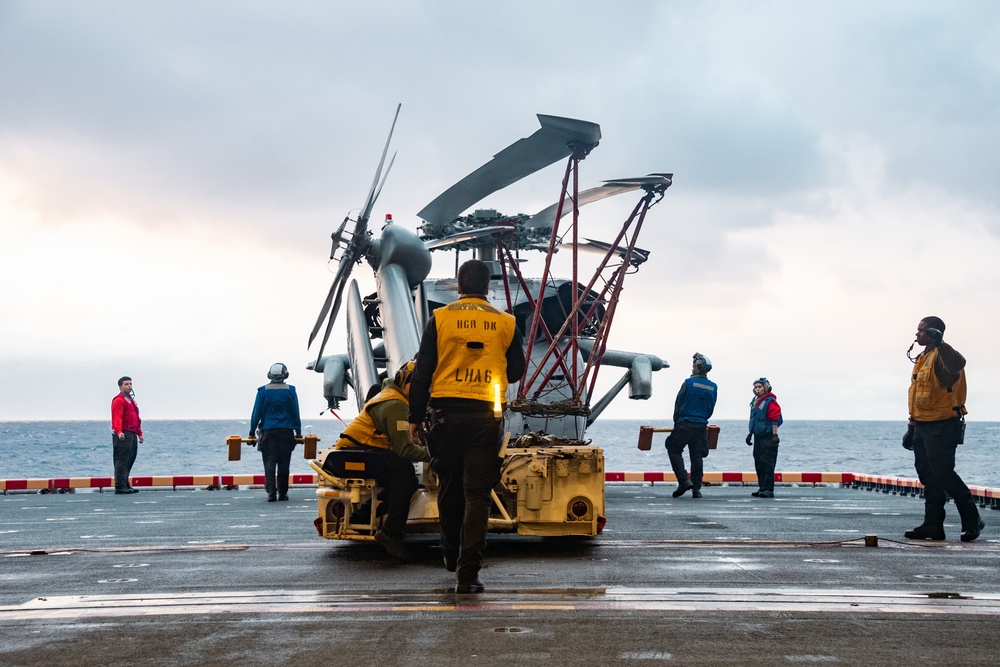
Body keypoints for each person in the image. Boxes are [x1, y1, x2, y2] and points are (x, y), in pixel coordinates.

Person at [408, 259, 526, 594]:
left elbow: (422, 371)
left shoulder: (441, 318)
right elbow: (515, 371)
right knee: (477, 494)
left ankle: (448, 553)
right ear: (487, 287)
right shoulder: (506, 322)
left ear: (458, 286)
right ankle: (468, 574)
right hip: (486, 417)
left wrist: (415, 416)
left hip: (445, 413)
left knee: (449, 485)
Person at [334, 360, 430, 561]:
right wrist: (436, 454)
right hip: (356, 451)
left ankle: (359, 518)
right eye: (420, 386)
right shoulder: (395, 405)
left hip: (357, 450)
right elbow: (405, 449)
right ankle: (391, 533)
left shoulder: (393, 397)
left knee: (395, 475)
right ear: (405, 382)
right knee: (404, 474)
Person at [903, 316, 984, 542]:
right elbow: (919, 396)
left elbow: (958, 364)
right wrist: (911, 428)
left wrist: (941, 344)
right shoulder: (923, 357)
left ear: (934, 332)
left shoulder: (942, 356)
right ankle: (933, 526)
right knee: (928, 476)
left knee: (944, 474)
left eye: (921, 331)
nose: (916, 334)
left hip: (943, 425)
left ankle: (972, 520)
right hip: (922, 425)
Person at [666, 353, 718, 499]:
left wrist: (677, 422)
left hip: (685, 424)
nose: (692, 368)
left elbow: (678, 404)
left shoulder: (688, 383)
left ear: (699, 366)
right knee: (697, 456)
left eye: (694, 366)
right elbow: (710, 408)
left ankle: (683, 481)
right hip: (701, 426)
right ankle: (696, 489)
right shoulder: (713, 387)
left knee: (673, 449)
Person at [249, 363, 302, 502]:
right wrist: (298, 432)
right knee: (284, 463)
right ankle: (283, 493)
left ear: (269, 375)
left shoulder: (262, 391)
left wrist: (251, 432)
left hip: (268, 432)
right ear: (286, 375)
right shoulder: (291, 390)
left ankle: (271, 493)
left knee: (269, 462)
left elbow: (256, 414)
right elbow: (295, 413)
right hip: (287, 432)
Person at [746, 377, 782, 498]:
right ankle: (762, 487)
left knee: (768, 462)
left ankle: (768, 489)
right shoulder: (756, 402)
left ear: (766, 387)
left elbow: (775, 419)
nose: (757, 389)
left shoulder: (770, 401)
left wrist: (774, 435)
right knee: (758, 461)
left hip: (768, 437)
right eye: (755, 387)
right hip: (758, 436)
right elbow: (754, 419)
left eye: (760, 387)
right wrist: (750, 434)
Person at [111, 376, 143, 495]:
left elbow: (136, 418)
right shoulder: (119, 400)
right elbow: (117, 417)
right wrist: (119, 431)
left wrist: (139, 433)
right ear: (120, 387)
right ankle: (119, 486)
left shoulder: (131, 400)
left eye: (130, 384)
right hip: (123, 434)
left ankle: (125, 483)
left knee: (130, 459)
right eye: (126, 384)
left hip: (132, 433)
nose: (129, 386)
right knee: (121, 461)